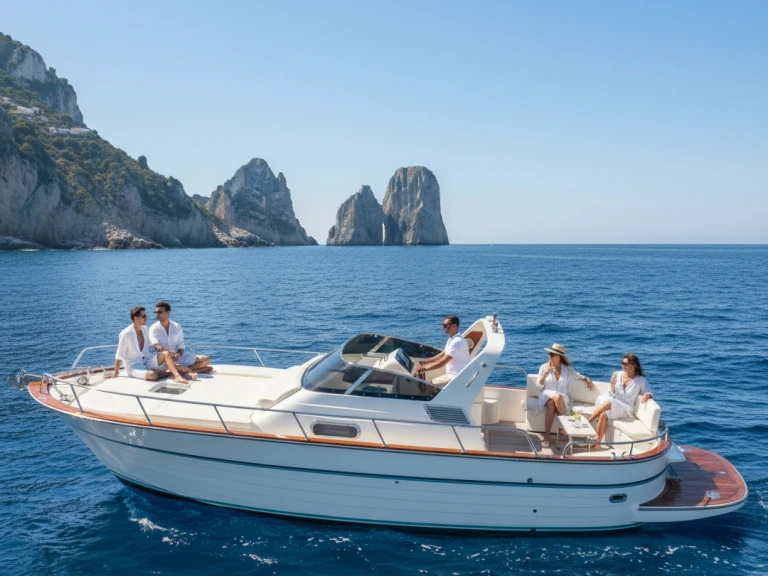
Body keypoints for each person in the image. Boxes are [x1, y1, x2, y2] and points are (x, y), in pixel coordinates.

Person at [111, 306, 196, 384]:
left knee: (166, 353)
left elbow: (152, 346)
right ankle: (173, 370)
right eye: (143, 316)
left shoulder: (145, 329)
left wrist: (169, 353)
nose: (146, 318)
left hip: (147, 361)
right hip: (134, 365)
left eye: (146, 316)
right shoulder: (126, 334)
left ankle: (177, 376)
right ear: (136, 318)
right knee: (153, 375)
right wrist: (116, 373)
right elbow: (119, 355)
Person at [537, 343, 594, 448]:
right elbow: (539, 385)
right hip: (546, 394)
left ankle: (547, 438)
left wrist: (587, 379)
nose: (550, 357)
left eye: (552, 355)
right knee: (555, 398)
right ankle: (565, 430)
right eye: (550, 354)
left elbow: (579, 376)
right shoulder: (544, 367)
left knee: (552, 403)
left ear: (559, 357)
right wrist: (545, 374)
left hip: (562, 397)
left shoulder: (567, 370)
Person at [588, 353, 652, 445]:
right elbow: (611, 393)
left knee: (608, 403)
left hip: (626, 408)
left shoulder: (641, 380)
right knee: (603, 414)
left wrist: (647, 395)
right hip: (614, 401)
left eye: (626, 364)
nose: (624, 366)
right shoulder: (617, 374)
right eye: (623, 363)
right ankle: (598, 443)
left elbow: (648, 391)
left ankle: (588, 422)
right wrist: (613, 387)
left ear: (634, 365)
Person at [149, 301, 212, 373]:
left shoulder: (176, 327)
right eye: (156, 312)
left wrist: (178, 354)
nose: (157, 314)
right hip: (162, 359)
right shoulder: (153, 328)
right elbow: (156, 346)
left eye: (160, 312)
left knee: (206, 359)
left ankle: (182, 369)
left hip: (177, 358)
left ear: (168, 313)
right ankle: (185, 369)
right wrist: (169, 352)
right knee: (170, 362)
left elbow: (181, 347)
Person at [416, 315, 470, 387]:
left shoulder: (457, 341)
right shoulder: (452, 339)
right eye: (443, 325)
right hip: (452, 375)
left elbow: (443, 362)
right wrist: (424, 362)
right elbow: (443, 354)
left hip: (455, 377)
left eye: (446, 325)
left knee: (430, 386)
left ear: (454, 326)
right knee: (431, 383)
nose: (443, 328)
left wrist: (424, 369)